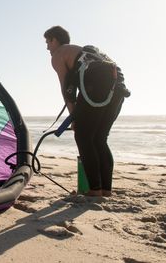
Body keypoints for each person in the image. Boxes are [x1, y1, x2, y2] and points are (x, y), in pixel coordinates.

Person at [44, 26, 130, 197]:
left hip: (96, 86)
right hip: (118, 87)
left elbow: (66, 90)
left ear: (55, 39)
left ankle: (94, 190)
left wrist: (75, 117)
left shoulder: (59, 54)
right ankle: (105, 190)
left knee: (83, 136)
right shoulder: (86, 52)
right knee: (99, 138)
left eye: (48, 42)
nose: (47, 48)